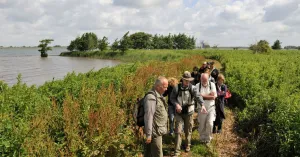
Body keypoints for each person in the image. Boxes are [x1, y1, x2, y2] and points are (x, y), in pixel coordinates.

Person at [170, 71, 204, 156]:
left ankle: (187, 145)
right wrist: (176, 105)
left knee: (188, 130)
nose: (187, 82)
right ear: (182, 79)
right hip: (179, 113)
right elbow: (172, 98)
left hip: (189, 112)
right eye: (186, 80)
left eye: (189, 80)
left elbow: (198, 96)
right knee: (178, 131)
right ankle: (177, 151)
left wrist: (202, 104)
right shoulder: (176, 88)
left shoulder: (192, 88)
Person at [144, 76, 169, 157]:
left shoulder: (158, 95)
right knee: (158, 154)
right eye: (165, 87)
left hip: (157, 131)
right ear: (158, 87)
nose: (166, 89)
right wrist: (148, 135)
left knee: (149, 153)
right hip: (154, 133)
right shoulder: (151, 97)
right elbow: (149, 116)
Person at [196, 73, 217, 144]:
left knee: (210, 123)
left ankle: (208, 139)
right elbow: (197, 97)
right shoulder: (197, 86)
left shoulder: (212, 85)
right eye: (203, 80)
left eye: (206, 80)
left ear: (208, 79)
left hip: (211, 108)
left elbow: (214, 97)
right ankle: (202, 139)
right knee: (202, 124)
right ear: (200, 79)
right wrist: (209, 96)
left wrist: (202, 96)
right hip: (201, 108)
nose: (204, 81)